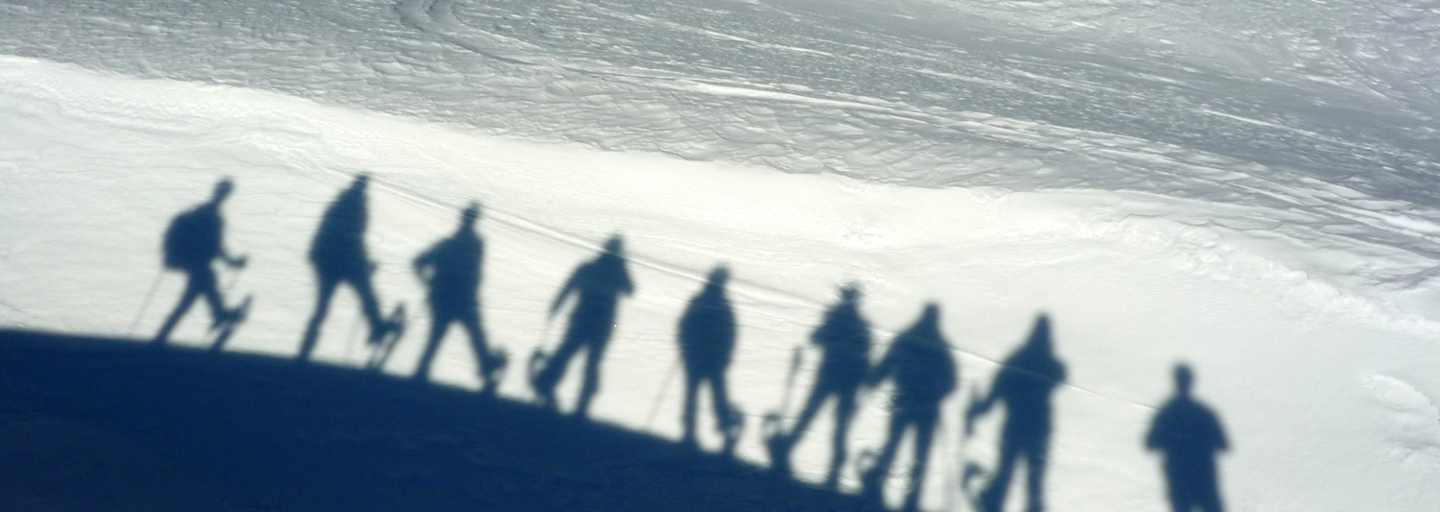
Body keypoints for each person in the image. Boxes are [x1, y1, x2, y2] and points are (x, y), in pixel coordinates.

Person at [771, 283, 871, 487]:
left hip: (831, 377)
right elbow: (864, 357)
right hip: (845, 382)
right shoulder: (858, 325)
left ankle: (789, 449)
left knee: (812, 416)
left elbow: (816, 338)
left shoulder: (836, 318)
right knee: (835, 424)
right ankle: (833, 466)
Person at [965, 314, 1067, 512]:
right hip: (1039, 431)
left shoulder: (1015, 361)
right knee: (1035, 482)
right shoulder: (1052, 365)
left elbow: (993, 397)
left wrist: (975, 410)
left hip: (1014, 428)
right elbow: (1061, 375)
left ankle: (992, 503)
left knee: (1005, 473)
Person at [860, 303, 956, 512]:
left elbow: (887, 363)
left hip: (904, 401)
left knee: (893, 443)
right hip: (927, 408)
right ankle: (912, 495)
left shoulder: (906, 338)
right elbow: (951, 381)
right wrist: (936, 394)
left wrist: (872, 380)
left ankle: (877, 485)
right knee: (920, 452)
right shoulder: (941, 347)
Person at [298, 175, 402, 360]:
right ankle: (377, 327)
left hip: (325, 259)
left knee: (323, 305)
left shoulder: (339, 203)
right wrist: (365, 262)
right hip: (343, 260)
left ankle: (307, 344)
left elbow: (341, 234)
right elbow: (354, 237)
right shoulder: (357, 207)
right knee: (366, 294)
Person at [529, 235, 634, 418]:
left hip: (584, 321)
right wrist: (624, 265)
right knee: (587, 361)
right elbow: (630, 290)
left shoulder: (590, 267)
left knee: (569, 355)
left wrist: (556, 306)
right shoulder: (613, 271)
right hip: (599, 325)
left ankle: (548, 384)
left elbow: (569, 286)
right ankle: (580, 402)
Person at [412, 202, 507, 391]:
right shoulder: (473, 244)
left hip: (446, 299)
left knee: (441, 337)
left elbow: (418, 262)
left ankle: (422, 371)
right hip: (461, 300)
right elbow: (476, 275)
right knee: (473, 336)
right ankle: (486, 370)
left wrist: (428, 283)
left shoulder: (448, 245)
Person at [154, 178, 249, 345]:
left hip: (192, 262)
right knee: (196, 293)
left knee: (191, 298)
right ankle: (220, 315)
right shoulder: (213, 216)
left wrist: (231, 262)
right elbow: (218, 246)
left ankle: (219, 315)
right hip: (198, 263)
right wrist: (233, 263)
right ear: (226, 195)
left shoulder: (201, 211)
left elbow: (216, 246)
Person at [677, 266, 743, 457]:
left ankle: (693, 434)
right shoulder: (721, 304)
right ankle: (720, 434)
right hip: (708, 359)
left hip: (702, 358)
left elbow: (684, 326)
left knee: (698, 397)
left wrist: (685, 348)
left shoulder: (702, 301)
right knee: (712, 398)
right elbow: (730, 334)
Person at [1145, 364, 1229, 512]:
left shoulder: (1167, 413)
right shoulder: (1203, 412)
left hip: (1180, 479)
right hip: (1202, 478)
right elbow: (1223, 444)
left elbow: (1151, 443)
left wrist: (1175, 440)